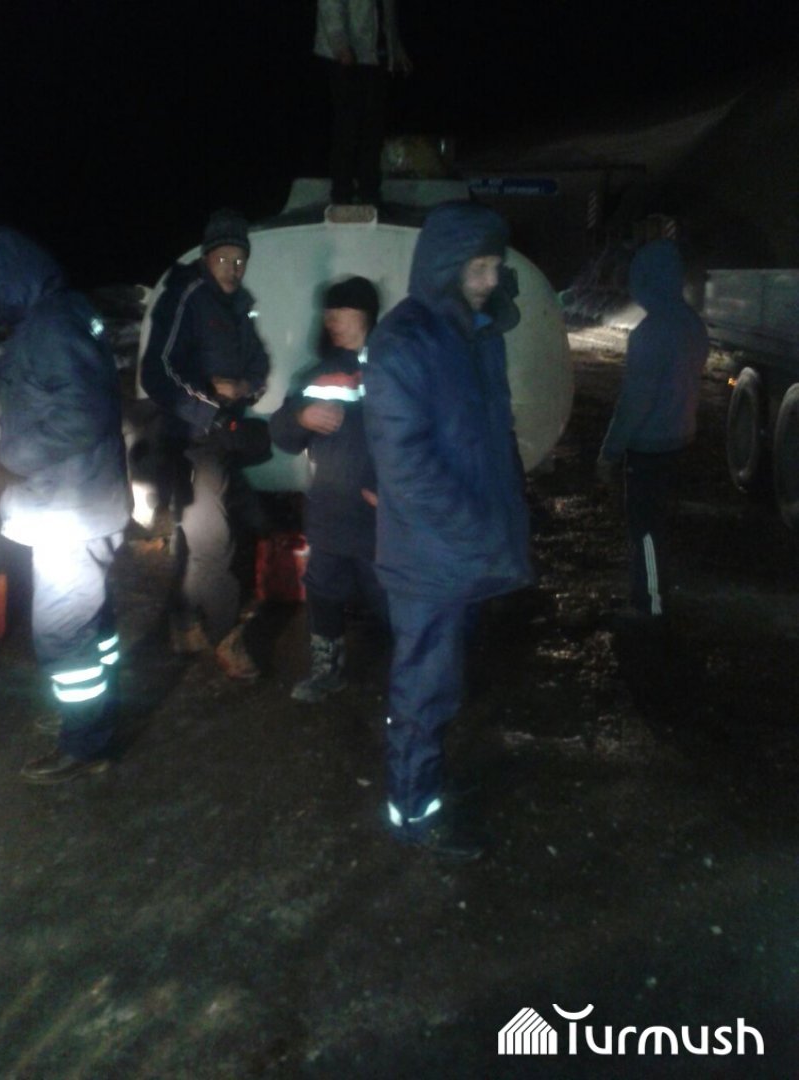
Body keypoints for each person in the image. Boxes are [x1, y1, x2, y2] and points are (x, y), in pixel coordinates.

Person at [364, 202, 534, 859]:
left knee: (444, 683)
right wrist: (479, 529)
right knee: (423, 690)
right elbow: (407, 467)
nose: (490, 280)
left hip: (463, 552)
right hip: (429, 558)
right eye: (479, 267)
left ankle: (424, 790)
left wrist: (508, 513)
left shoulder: (477, 334)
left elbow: (494, 437)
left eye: (495, 266)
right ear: (446, 266)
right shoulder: (405, 341)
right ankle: (414, 814)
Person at [0, 227, 131, 783]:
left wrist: (7, 464)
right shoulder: (62, 316)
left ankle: (84, 744)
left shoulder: (51, 324)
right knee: (92, 623)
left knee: (62, 632)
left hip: (68, 509)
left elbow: (82, 412)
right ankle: (98, 719)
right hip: (82, 500)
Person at [140, 209, 272, 678]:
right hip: (190, 439)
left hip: (222, 438)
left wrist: (245, 387)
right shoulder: (188, 295)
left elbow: (259, 364)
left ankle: (183, 623)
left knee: (208, 535)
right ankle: (225, 635)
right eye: (224, 259)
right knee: (213, 542)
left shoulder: (240, 305)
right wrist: (211, 402)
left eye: (240, 260)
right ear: (207, 256)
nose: (233, 269)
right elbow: (157, 372)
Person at [269, 276, 387, 702]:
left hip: (381, 516)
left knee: (390, 597)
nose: (331, 320)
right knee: (323, 591)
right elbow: (282, 435)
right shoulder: (316, 374)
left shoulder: (394, 367)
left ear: (366, 315)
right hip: (330, 513)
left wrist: (397, 493)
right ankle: (327, 669)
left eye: (342, 311)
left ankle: (408, 676)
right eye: (329, 312)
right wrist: (300, 418)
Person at [596, 238, 709, 619]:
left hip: (649, 448)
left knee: (644, 530)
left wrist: (610, 452)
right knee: (661, 525)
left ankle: (650, 605)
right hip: (680, 439)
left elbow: (633, 404)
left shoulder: (650, 332)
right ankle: (654, 594)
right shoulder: (692, 324)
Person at [314, 0, 412, 206]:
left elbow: (387, 13)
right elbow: (330, 6)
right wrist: (340, 45)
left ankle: (369, 191)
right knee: (347, 127)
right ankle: (341, 193)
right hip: (348, 57)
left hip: (376, 55)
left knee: (373, 128)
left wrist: (396, 50)